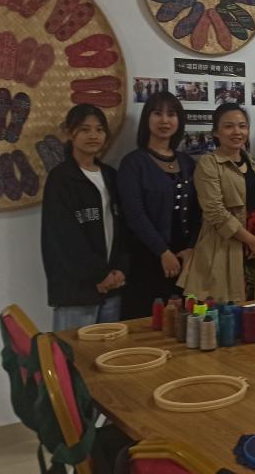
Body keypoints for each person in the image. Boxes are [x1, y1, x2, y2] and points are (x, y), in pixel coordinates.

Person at [42, 104, 129, 331]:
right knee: (73, 352)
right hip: (77, 292)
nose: (93, 135)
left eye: (99, 129)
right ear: (70, 133)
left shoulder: (111, 176)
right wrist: (98, 276)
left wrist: (120, 269)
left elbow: (122, 229)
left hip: (112, 287)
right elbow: (65, 238)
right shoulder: (61, 179)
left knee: (108, 352)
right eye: (85, 129)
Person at [176, 103, 255, 302]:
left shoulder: (254, 166)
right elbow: (215, 211)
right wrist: (251, 240)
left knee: (253, 307)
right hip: (223, 246)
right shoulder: (208, 163)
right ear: (216, 132)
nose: (237, 132)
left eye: (242, 126)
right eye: (229, 126)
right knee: (225, 309)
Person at [117, 91, 200, 319]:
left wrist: (192, 247)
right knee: (147, 324)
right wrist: (163, 252)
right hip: (147, 258)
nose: (164, 120)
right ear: (147, 118)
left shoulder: (187, 162)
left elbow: (199, 211)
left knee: (185, 324)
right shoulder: (133, 163)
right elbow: (134, 214)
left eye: (171, 114)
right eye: (157, 114)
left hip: (185, 259)